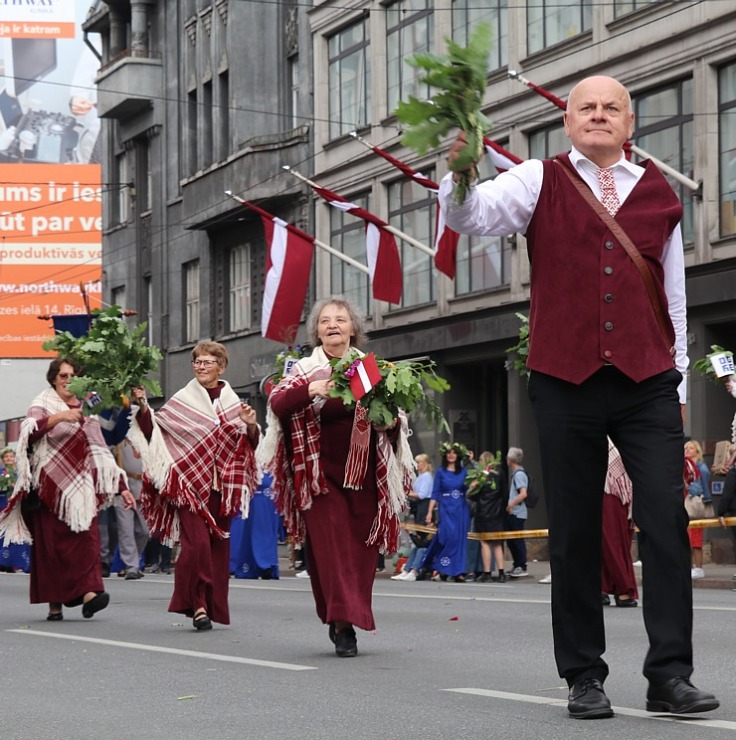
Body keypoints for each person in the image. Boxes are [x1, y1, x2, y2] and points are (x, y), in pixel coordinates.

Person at [440, 75, 718, 717]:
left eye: (610, 107)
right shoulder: (538, 179)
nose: (598, 115)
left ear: (630, 122)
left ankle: (670, 674)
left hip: (648, 383)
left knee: (668, 524)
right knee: (573, 533)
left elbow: (673, 296)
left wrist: (675, 378)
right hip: (566, 381)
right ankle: (583, 676)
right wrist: (458, 175)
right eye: (585, 108)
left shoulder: (660, 194)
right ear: (567, 122)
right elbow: (472, 215)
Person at [258, 296, 413, 657]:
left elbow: (393, 420)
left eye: (340, 320)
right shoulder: (303, 370)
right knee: (330, 549)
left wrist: (389, 423)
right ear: (317, 331)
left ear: (353, 329)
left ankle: (345, 613)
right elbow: (278, 405)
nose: (333, 326)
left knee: (359, 551)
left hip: (363, 476)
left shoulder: (369, 370)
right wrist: (311, 389)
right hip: (317, 475)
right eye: (325, 321)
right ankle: (343, 625)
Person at [128, 342, 260, 631]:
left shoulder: (232, 402)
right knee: (196, 546)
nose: (201, 366)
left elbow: (248, 444)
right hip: (187, 486)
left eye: (208, 362)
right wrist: (142, 405)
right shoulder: (183, 400)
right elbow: (156, 432)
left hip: (222, 488)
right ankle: (197, 605)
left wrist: (250, 426)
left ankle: (208, 605)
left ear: (221, 367)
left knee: (216, 550)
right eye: (197, 362)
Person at [0, 358, 136, 620]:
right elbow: (30, 434)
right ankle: (55, 604)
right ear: (53, 378)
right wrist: (59, 417)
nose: (67, 380)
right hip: (49, 487)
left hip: (83, 488)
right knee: (52, 548)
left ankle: (90, 594)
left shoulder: (88, 408)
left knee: (87, 543)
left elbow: (100, 451)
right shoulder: (41, 403)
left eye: (72, 375)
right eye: (62, 375)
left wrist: (121, 487)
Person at [424, 442, 470, 583]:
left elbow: (469, 489)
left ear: (458, 455)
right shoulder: (440, 472)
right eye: (448, 453)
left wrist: (473, 484)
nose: (451, 455)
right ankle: (443, 568)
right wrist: (430, 512)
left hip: (461, 509)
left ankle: (458, 572)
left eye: (454, 452)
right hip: (446, 508)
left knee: (459, 540)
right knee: (447, 538)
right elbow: (435, 493)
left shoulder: (463, 472)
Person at [601, 439, 638, 608]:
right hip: (609, 489)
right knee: (608, 541)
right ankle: (612, 587)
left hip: (617, 490)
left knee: (615, 541)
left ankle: (617, 587)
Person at [230, 471, 280, 580]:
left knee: (262, 529)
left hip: (266, 487)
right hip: (255, 486)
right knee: (250, 530)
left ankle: (265, 563)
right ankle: (259, 564)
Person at [392, 453, 434, 581]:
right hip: (418, 507)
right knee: (418, 542)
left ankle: (414, 570)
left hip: (423, 507)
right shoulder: (421, 476)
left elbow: (422, 494)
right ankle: (408, 569)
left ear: (425, 463)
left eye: (419, 462)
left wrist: (405, 492)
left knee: (422, 540)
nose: (417, 465)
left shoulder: (426, 476)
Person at [114, 437, 150, 579]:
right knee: (126, 529)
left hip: (143, 486)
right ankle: (132, 566)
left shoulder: (146, 434)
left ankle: (135, 558)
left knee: (145, 531)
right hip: (124, 486)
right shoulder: (119, 436)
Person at [468, 451, 506, 583]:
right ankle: (501, 573)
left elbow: (473, 496)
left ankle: (487, 573)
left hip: (483, 513)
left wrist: (472, 487)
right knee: (497, 543)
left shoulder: (481, 476)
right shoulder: (499, 473)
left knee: (485, 543)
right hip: (497, 513)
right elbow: (504, 493)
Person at [0, 447, 30, 573]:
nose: (9, 459)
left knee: (16, 533)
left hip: (16, 506)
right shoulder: (1, 472)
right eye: (6, 457)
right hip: (3, 503)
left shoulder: (19, 473)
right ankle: (3, 562)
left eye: (11, 456)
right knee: (3, 533)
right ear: (3, 459)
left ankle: (15, 562)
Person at [684, 440, 711, 580]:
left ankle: (699, 568)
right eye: (686, 448)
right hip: (684, 503)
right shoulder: (684, 466)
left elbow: (705, 486)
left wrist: (707, 501)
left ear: (697, 451)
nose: (687, 450)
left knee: (695, 537)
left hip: (695, 502)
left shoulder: (701, 467)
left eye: (691, 448)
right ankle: (687, 567)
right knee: (685, 538)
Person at [505, 447, 529, 578]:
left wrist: (511, 504)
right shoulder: (516, 474)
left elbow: (523, 493)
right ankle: (517, 564)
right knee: (511, 540)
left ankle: (522, 565)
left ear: (511, 459)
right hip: (515, 512)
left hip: (517, 512)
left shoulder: (519, 475)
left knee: (517, 540)